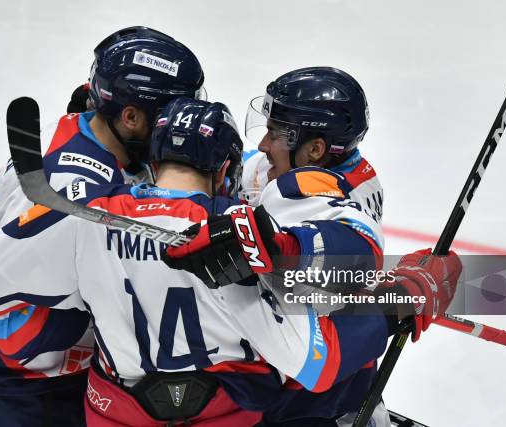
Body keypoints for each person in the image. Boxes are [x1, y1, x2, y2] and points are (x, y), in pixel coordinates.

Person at [0, 97, 428, 427]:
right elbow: (319, 362)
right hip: (221, 412)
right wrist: (403, 298)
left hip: (65, 407)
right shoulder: (232, 243)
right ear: (226, 170)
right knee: (325, 365)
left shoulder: (86, 221)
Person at [0, 26, 204, 427]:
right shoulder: (74, 187)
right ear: (131, 116)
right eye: (173, 112)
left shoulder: (97, 134)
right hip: (0, 389)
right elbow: (30, 333)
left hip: (42, 384)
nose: (182, 123)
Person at [163, 67, 462, 425]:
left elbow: (353, 256)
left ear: (315, 149)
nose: (262, 145)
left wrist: (280, 247)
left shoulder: (332, 193)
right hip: (298, 369)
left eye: (274, 134)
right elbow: (231, 173)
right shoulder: (296, 169)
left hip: (311, 387)